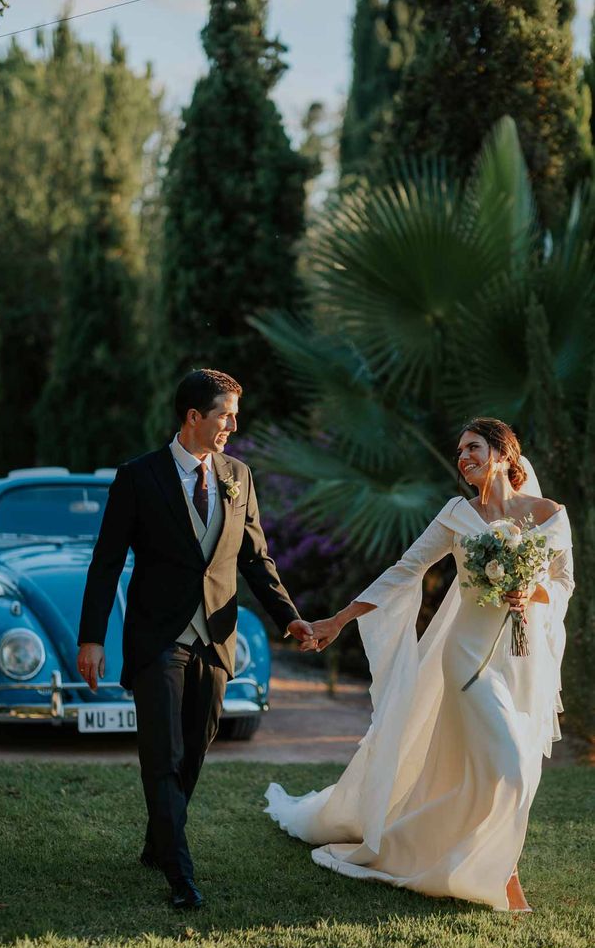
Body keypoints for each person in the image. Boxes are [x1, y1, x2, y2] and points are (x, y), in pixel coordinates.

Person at [265, 418, 574, 912]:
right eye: (459, 452)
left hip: (521, 658)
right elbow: (405, 571)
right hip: (468, 657)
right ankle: (505, 874)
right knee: (511, 767)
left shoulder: (547, 513)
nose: (463, 458)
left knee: (497, 766)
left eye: (473, 447)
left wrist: (528, 590)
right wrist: (340, 619)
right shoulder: (456, 514)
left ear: (503, 452)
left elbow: (563, 584)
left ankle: (457, 849)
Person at [78, 369, 316, 910]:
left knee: (196, 745)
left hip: (215, 633)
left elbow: (257, 559)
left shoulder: (239, 475)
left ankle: (156, 841)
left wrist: (290, 618)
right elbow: (106, 562)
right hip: (158, 634)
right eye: (225, 414)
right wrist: (92, 637)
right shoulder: (138, 477)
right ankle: (180, 875)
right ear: (193, 417)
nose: (234, 424)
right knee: (162, 752)